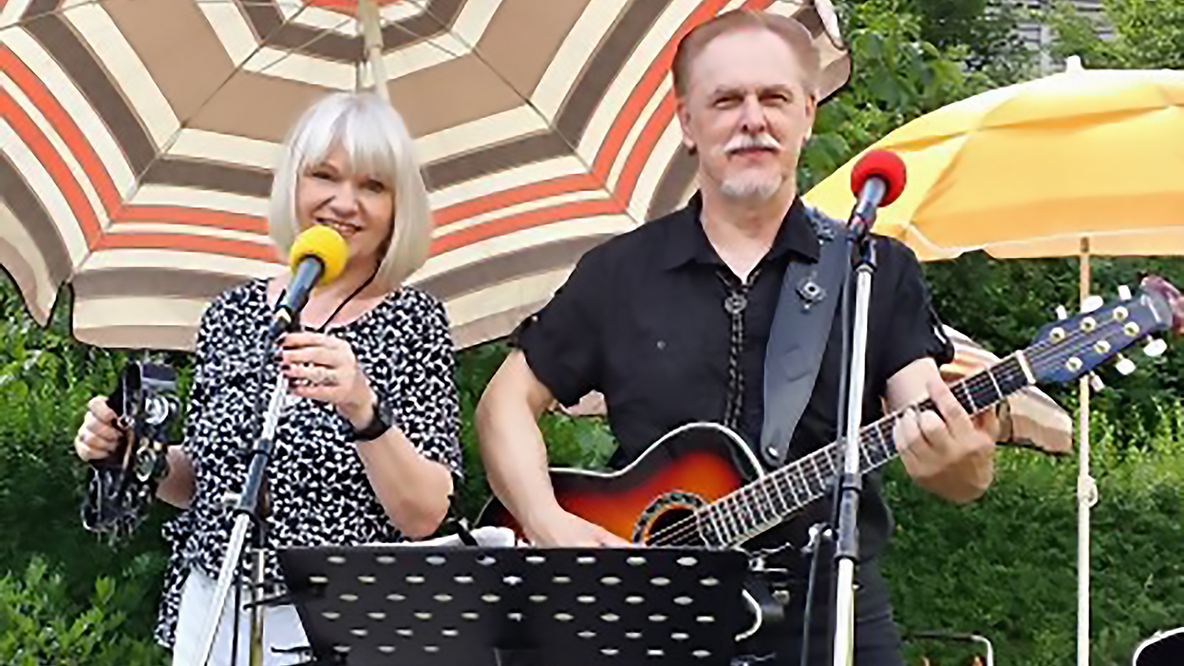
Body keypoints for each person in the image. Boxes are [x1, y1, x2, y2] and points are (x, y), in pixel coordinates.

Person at [474, 10, 1001, 666]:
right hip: (647, 615)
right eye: (726, 100)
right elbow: (504, 405)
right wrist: (549, 524)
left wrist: (957, 460)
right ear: (688, 123)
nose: (753, 118)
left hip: (827, 611)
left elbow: (950, 452)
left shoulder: (873, 268)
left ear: (807, 114)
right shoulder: (618, 274)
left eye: (774, 97)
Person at [72, 92, 462, 665]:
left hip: (342, 622)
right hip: (216, 611)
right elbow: (200, 484)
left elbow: (424, 513)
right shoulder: (232, 314)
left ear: (398, 208)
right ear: (294, 186)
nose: (344, 202)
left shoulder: (414, 320)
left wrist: (362, 406)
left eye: (373, 186)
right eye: (324, 176)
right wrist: (135, 452)